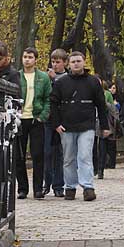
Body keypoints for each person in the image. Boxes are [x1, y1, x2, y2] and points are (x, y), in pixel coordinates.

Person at [48, 51, 111, 201]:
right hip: (67, 125)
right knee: (69, 158)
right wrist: (56, 124)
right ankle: (70, 186)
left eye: (78, 61)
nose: (76, 64)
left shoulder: (93, 81)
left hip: (87, 125)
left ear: (84, 62)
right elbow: (53, 103)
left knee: (85, 156)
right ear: (69, 64)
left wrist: (105, 126)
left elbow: (101, 105)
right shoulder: (61, 82)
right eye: (73, 61)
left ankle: (88, 186)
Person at [16, 47, 51, 199]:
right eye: (25, 56)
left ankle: (38, 188)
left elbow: (48, 99)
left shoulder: (43, 77)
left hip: (36, 119)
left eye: (30, 57)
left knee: (38, 155)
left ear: (35, 59)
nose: (27, 59)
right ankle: (22, 189)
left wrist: (42, 116)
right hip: (19, 120)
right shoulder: (16, 76)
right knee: (19, 155)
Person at [43, 48, 68, 197]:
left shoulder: (67, 77)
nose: (55, 65)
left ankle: (59, 185)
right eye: (53, 61)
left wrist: (55, 79)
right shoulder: (45, 77)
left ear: (64, 63)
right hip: (48, 119)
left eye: (58, 62)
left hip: (62, 119)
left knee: (60, 153)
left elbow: (66, 90)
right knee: (47, 152)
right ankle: (47, 182)